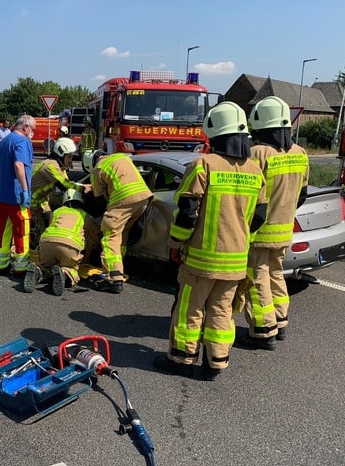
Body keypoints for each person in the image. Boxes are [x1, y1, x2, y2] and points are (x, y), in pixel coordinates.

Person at [153, 102, 267, 381]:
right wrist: (241, 243)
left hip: (201, 260)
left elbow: (187, 214)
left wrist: (175, 244)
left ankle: (181, 359)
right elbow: (260, 216)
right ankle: (216, 362)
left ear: (213, 133)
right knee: (222, 311)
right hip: (236, 262)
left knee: (189, 311)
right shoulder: (255, 171)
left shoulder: (203, 164)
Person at [239, 96, 309, 350]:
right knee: (276, 274)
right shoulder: (300, 153)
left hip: (259, 231)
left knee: (257, 279)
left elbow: (250, 194)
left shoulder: (257, 153)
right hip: (284, 229)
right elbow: (302, 194)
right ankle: (279, 322)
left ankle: (263, 330)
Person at [82, 150, 153, 293]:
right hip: (144, 198)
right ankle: (120, 264)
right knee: (123, 232)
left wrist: (89, 188)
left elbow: (97, 194)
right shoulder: (121, 156)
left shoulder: (99, 168)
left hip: (123, 199)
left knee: (110, 236)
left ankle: (113, 278)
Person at [24, 189, 97, 296]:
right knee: (71, 270)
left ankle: (38, 271)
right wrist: (86, 258)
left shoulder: (57, 211)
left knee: (46, 266)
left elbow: (50, 225)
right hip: (69, 246)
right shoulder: (84, 215)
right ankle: (64, 274)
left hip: (46, 243)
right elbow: (91, 240)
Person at [0, 114, 35, 275]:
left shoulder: (6, 139)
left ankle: (2, 265)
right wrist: (25, 190)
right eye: (32, 129)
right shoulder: (22, 141)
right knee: (22, 229)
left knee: (3, 229)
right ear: (25, 127)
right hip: (16, 197)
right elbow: (18, 164)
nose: (32, 132)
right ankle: (21, 268)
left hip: (1, 195)